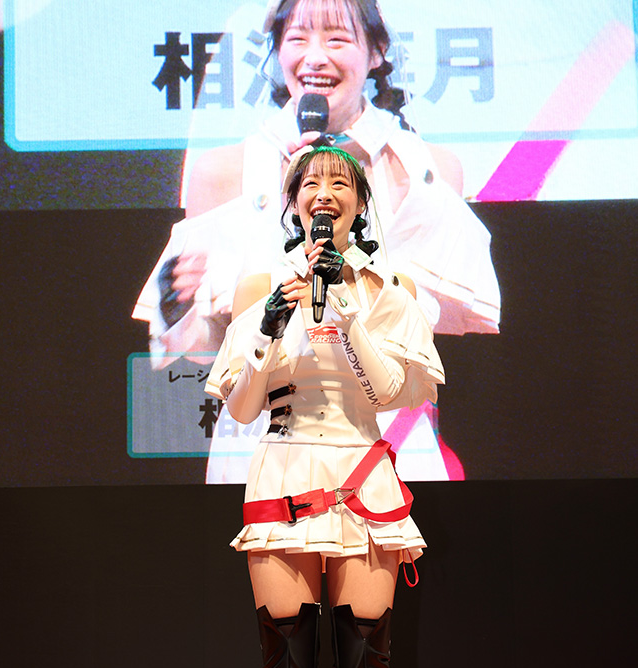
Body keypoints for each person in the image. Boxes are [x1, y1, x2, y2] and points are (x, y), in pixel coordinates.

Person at [205, 144, 443, 668]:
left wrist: (343, 313)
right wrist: (273, 322)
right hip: (280, 475)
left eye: (339, 182)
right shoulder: (258, 291)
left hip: (361, 477)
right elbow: (240, 406)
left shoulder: (389, 290)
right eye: (310, 182)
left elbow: (395, 392)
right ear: (292, 204)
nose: (324, 192)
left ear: (360, 204)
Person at [133, 0, 499, 483]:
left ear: (376, 52)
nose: (315, 57)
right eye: (298, 38)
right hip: (264, 441)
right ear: (277, 51)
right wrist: (179, 307)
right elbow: (210, 350)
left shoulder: (427, 172)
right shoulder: (223, 174)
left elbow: (428, 323)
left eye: (337, 38)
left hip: (388, 438)